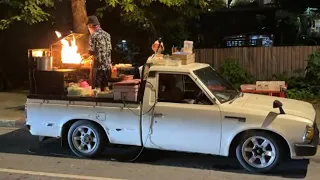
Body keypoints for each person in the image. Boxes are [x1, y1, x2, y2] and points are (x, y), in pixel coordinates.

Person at [85, 15, 112, 91]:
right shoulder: (107, 35)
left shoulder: (93, 36)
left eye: (88, 28)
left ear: (90, 25)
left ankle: (97, 101)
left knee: (98, 89)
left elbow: (91, 51)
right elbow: (109, 50)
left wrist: (86, 55)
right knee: (106, 87)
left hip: (98, 67)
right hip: (107, 67)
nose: (89, 30)